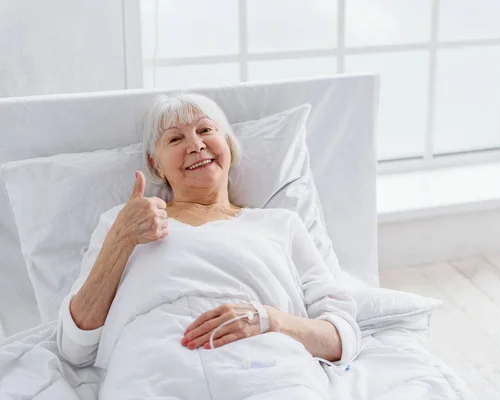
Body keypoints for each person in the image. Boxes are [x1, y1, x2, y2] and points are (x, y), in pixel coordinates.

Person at [56, 93, 360, 399]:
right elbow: (75, 346)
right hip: (152, 371)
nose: (195, 145)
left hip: (266, 367)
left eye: (205, 130)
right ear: (155, 164)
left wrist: (268, 319)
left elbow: (341, 339)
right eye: (175, 139)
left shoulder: (282, 224)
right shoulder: (122, 223)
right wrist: (122, 239)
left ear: (227, 143)